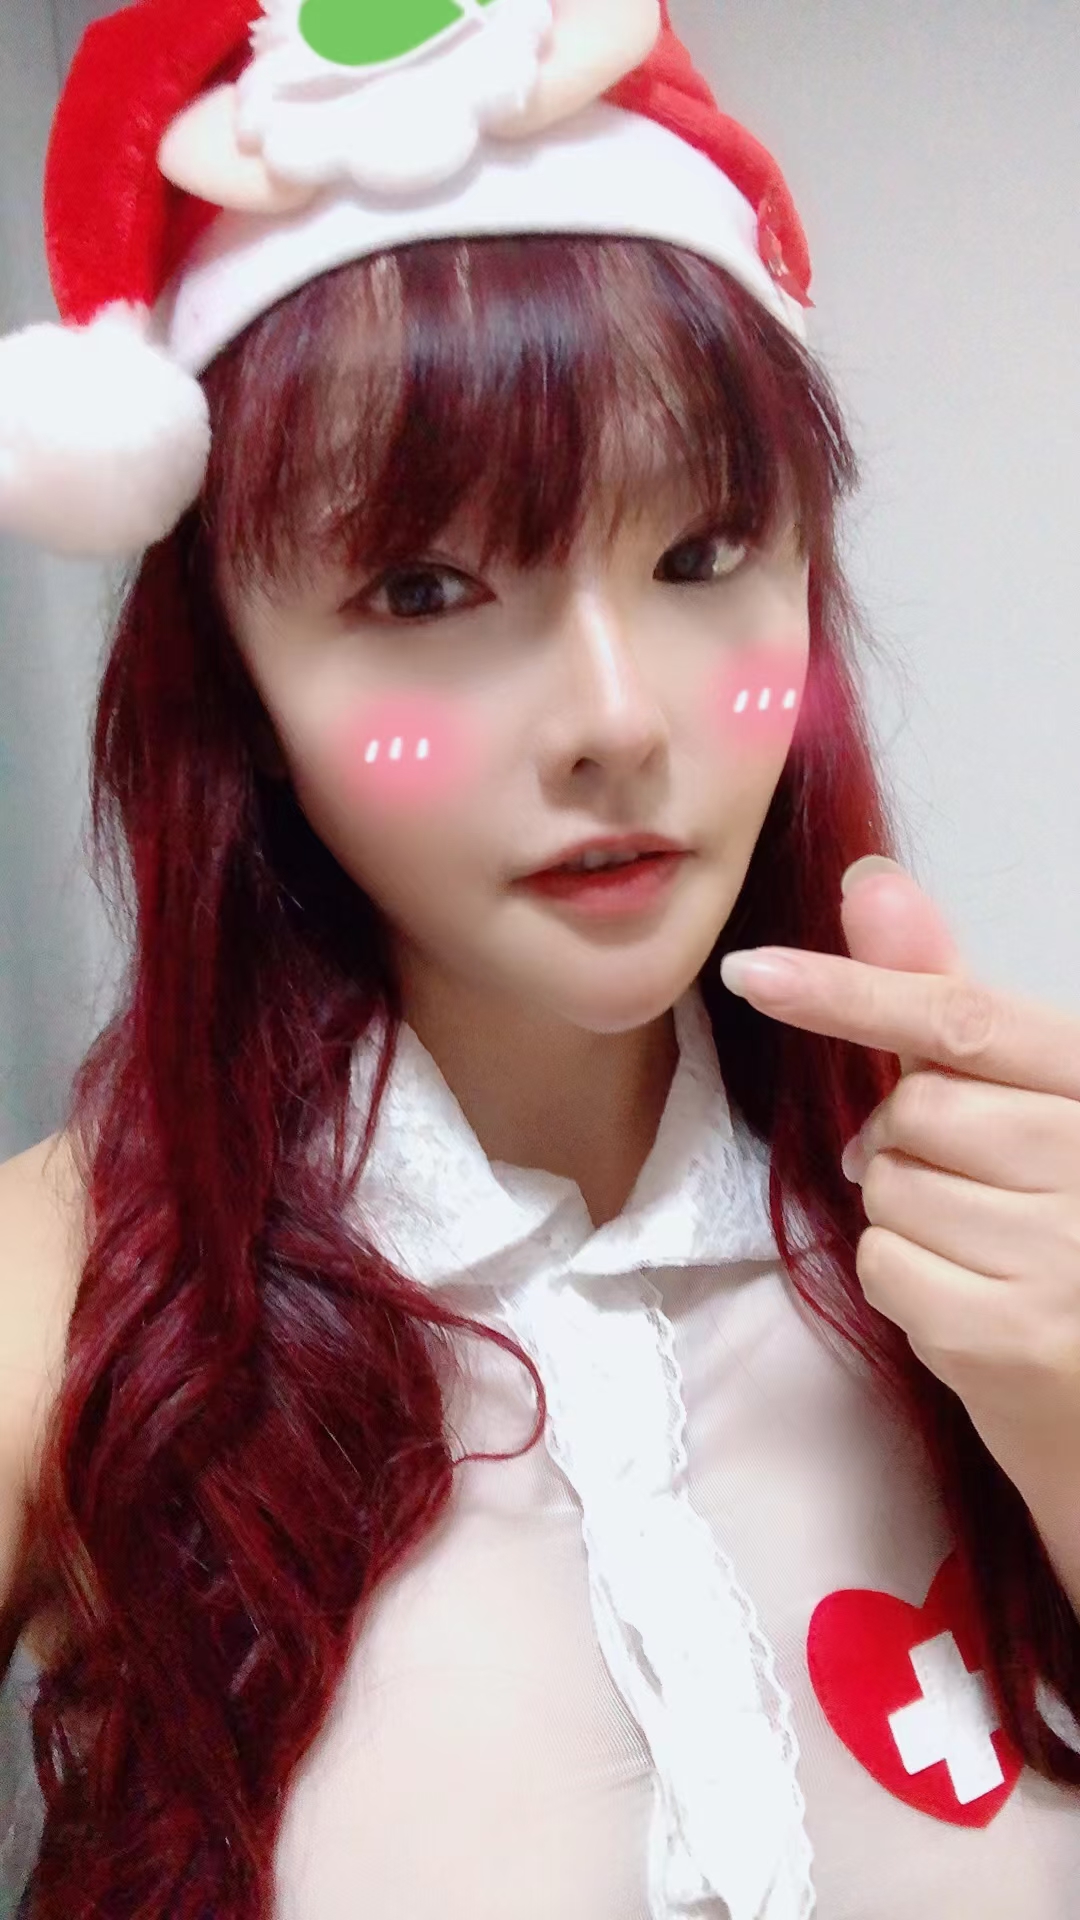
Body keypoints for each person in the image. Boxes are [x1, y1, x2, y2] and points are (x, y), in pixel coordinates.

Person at [0, 2, 1079, 1915]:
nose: (616, 720)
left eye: (704, 555)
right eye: (425, 588)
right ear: (233, 679)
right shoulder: (76, 1304)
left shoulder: (993, 1237)